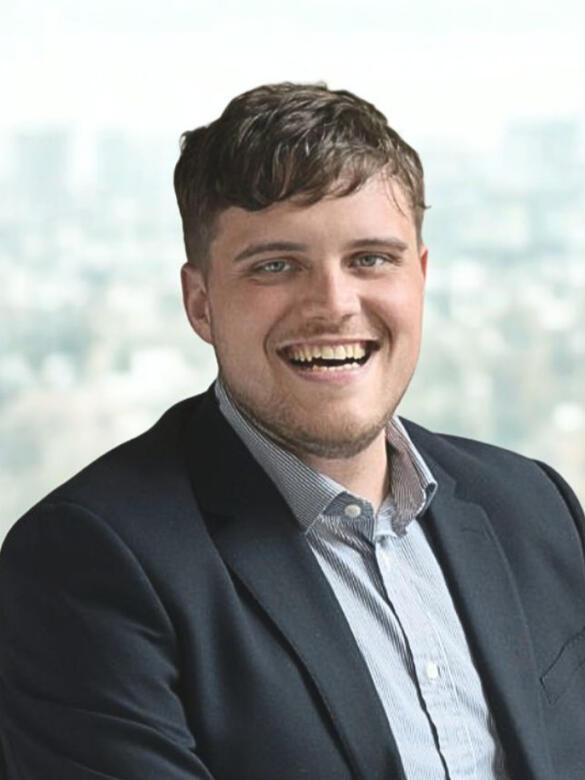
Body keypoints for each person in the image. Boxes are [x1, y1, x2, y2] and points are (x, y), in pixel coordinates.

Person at [0, 82, 584, 780]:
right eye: (275, 266)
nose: (333, 305)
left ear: (420, 276)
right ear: (200, 303)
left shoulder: (534, 505)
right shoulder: (83, 565)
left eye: (370, 259)